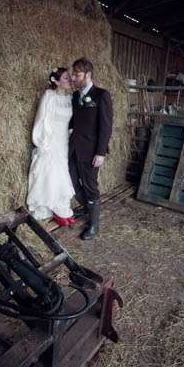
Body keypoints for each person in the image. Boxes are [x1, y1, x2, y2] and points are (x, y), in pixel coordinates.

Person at [69, 57, 113, 240]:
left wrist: (100, 152)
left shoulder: (101, 95)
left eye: (77, 74)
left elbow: (106, 126)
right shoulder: (75, 96)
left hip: (91, 151)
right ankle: (87, 207)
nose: (73, 78)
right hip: (73, 149)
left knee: (90, 186)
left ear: (87, 75)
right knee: (71, 181)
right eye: (72, 74)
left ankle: (94, 224)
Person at [27, 67, 76, 226]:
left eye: (69, 77)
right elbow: (41, 118)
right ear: (56, 81)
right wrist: (43, 142)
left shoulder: (70, 98)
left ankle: (60, 206)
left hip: (64, 140)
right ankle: (46, 206)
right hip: (50, 139)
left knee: (62, 171)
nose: (70, 80)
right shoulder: (49, 96)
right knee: (50, 171)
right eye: (66, 78)